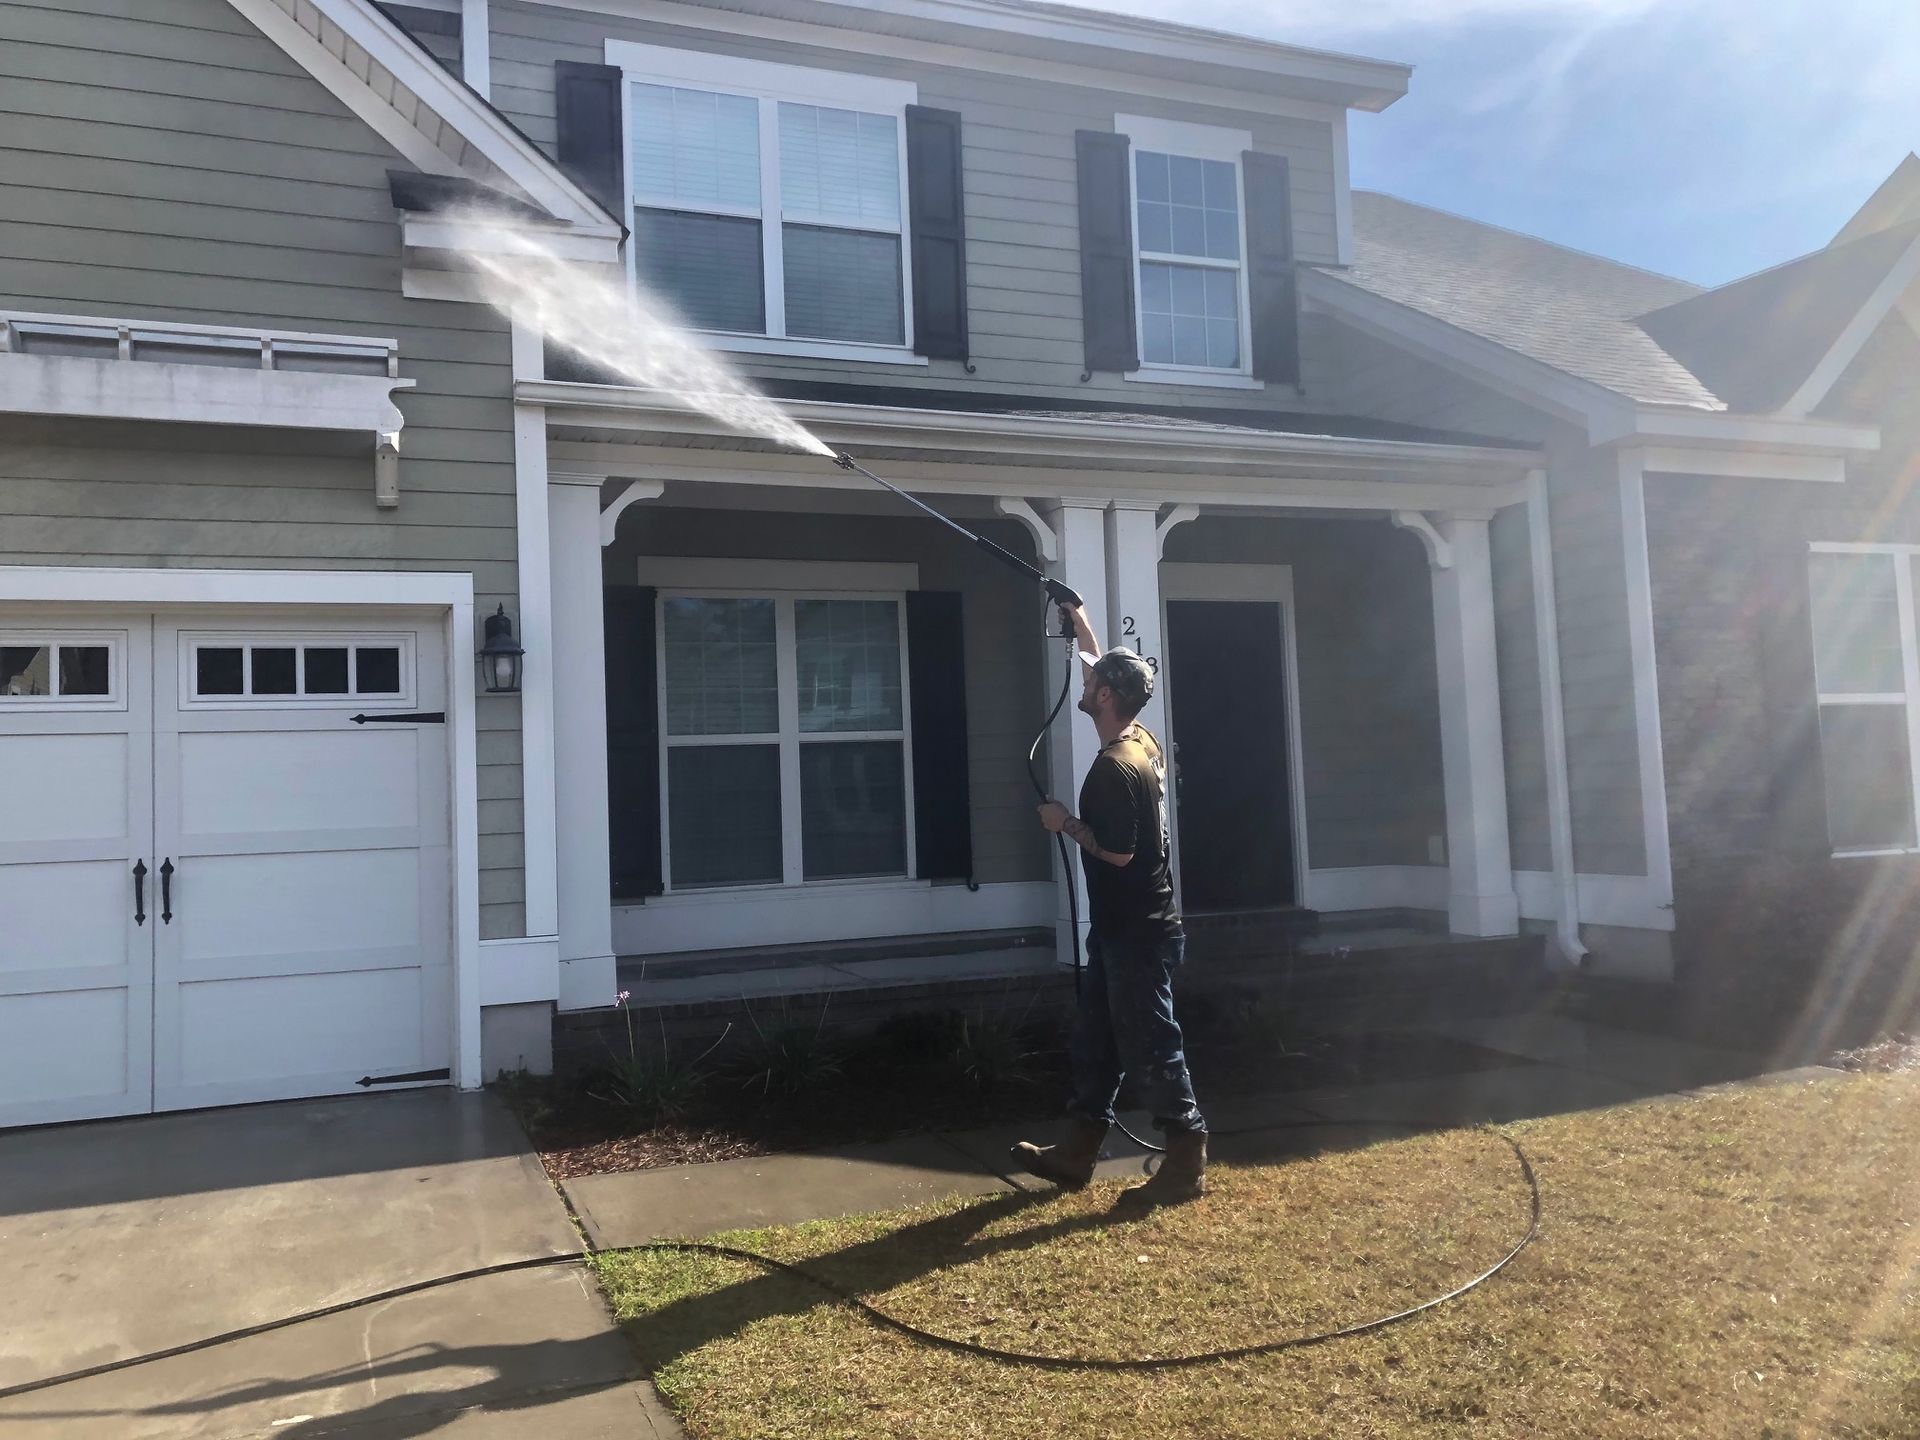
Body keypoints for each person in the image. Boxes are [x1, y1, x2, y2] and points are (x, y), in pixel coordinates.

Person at [1012, 602, 1206, 1207]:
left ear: (1103, 697)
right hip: (1122, 930)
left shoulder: (1111, 773)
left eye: (1092, 680)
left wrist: (1062, 822)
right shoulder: (1140, 738)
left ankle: (1186, 1157)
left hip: (1137, 932)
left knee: (1151, 1043)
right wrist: (1081, 623)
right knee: (1096, 1039)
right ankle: (1076, 1154)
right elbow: (1105, 667)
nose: (1085, 680)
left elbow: (1117, 853)